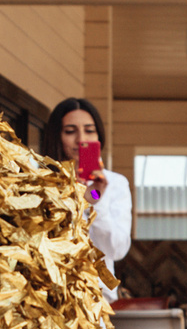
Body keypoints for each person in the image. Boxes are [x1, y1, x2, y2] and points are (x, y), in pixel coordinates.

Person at [39, 99, 130, 275]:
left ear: (99, 137)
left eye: (89, 131)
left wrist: (95, 198)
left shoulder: (116, 183)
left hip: (97, 292)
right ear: (57, 135)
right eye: (70, 131)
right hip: (48, 285)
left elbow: (115, 250)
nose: (81, 139)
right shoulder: (42, 179)